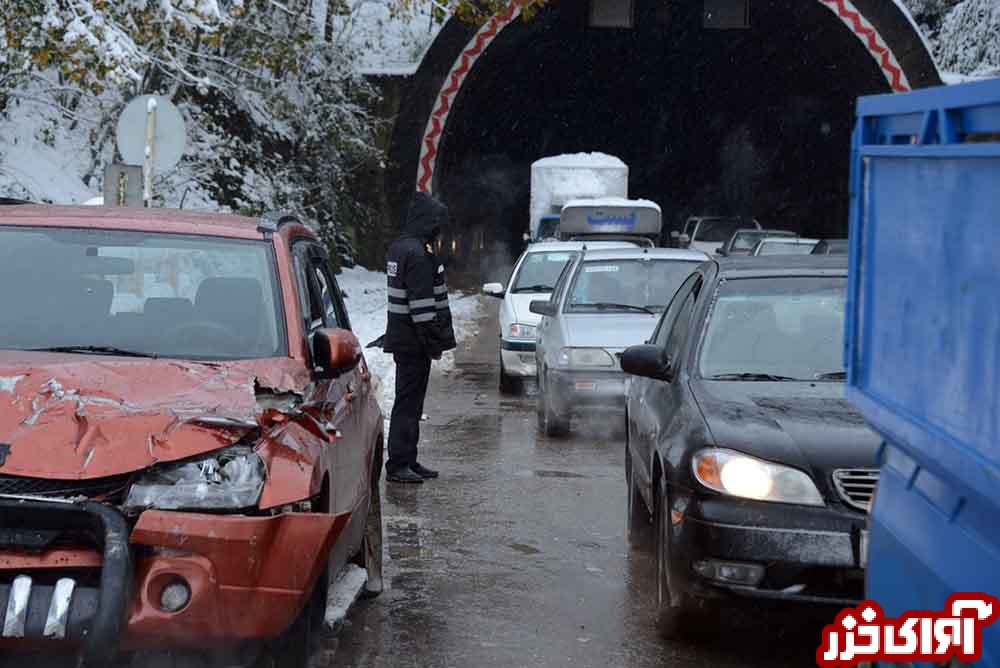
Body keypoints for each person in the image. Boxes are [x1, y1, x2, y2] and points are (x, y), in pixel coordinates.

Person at [383, 192, 457, 484]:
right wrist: (434, 343)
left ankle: (407, 459)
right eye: (437, 221)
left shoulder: (400, 248)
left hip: (404, 338)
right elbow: (423, 308)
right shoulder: (417, 254)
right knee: (408, 404)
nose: (439, 228)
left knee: (410, 402)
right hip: (413, 342)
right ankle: (399, 463)